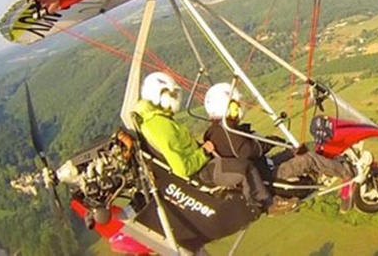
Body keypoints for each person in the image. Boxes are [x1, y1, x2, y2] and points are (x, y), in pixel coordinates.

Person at [134, 72, 296, 215]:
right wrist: (204, 151)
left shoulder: (158, 120)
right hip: (201, 172)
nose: (176, 99)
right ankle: (267, 205)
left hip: (203, 165)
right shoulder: (159, 125)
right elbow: (182, 168)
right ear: (159, 95)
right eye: (172, 95)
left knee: (242, 163)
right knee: (244, 166)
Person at [202, 83, 354, 185]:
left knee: (302, 148)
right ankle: (350, 172)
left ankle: (332, 165)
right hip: (268, 175)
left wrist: (272, 141)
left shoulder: (219, 130)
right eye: (236, 104)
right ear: (229, 107)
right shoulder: (226, 131)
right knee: (307, 159)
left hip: (268, 165)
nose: (239, 107)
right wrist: (269, 141)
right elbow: (247, 151)